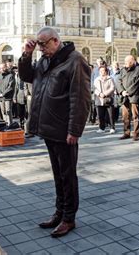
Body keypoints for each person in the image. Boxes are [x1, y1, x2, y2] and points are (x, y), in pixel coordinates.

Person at [19, 27, 90, 238]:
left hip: (64, 130)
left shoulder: (75, 60)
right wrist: (26, 55)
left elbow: (81, 99)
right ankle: (59, 212)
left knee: (68, 175)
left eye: (43, 44)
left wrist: (74, 130)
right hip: (49, 127)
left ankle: (69, 218)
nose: (40, 48)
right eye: (38, 44)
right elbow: (27, 76)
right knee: (58, 175)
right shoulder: (44, 60)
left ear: (56, 41)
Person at [117, 55, 139, 141]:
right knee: (125, 116)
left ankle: (136, 134)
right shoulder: (122, 70)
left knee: (135, 116)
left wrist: (128, 92)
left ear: (132, 61)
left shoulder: (138, 70)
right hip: (124, 96)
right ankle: (126, 133)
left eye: (127, 62)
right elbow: (118, 81)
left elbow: (136, 84)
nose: (125, 63)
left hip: (134, 96)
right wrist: (122, 91)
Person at [94, 65, 116, 133]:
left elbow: (112, 88)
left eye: (103, 71)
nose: (101, 72)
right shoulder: (97, 79)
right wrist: (99, 94)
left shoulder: (110, 78)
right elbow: (94, 88)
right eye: (100, 71)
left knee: (110, 115)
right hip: (99, 99)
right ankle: (101, 128)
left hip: (108, 98)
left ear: (106, 71)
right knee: (100, 115)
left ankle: (112, 127)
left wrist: (105, 94)